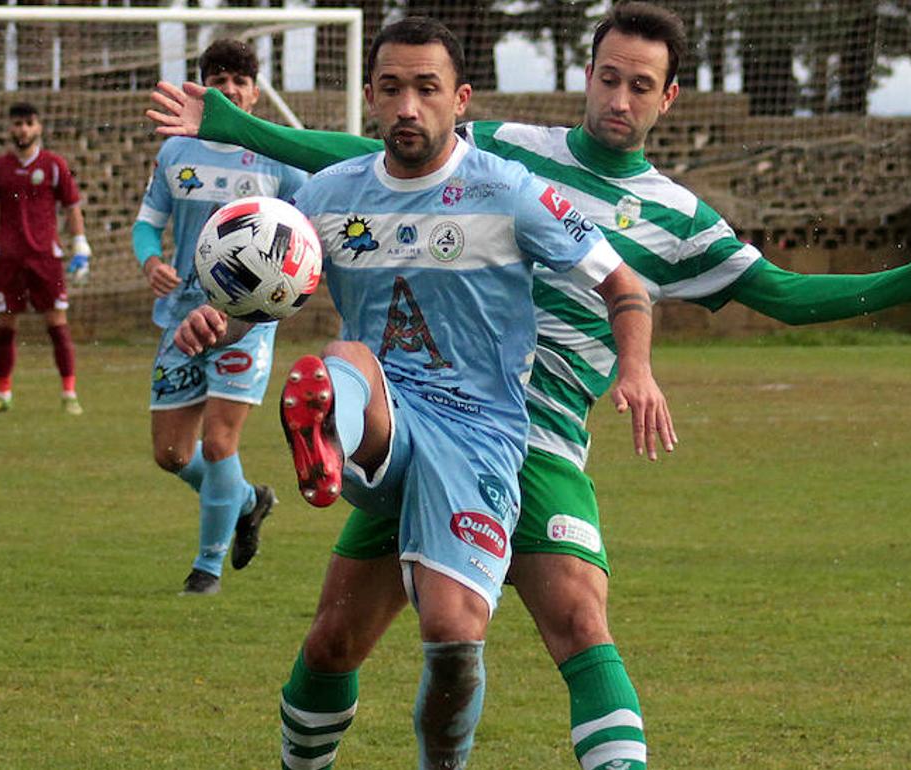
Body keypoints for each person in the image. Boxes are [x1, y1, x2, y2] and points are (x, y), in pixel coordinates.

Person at [150, 4, 911, 767]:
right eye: (607, 78)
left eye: (641, 86)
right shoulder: (511, 151)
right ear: (586, 76)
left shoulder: (678, 218)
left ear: (669, 98)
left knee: (575, 624)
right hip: (421, 411)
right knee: (336, 641)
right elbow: (369, 156)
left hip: (540, 436)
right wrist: (234, 123)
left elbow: (779, 292)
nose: (619, 100)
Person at [166, 16, 673, 770]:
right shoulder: (327, 197)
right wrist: (224, 320)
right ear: (370, 96)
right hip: (384, 415)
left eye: (427, 89)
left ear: (459, 99)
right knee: (346, 355)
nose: (409, 106)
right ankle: (330, 426)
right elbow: (271, 295)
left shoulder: (509, 191)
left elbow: (622, 285)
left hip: (479, 437)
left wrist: (636, 368)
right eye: (393, 89)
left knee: (444, 629)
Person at [134, 40, 306, 596]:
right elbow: (146, 224)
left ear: (255, 92)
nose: (230, 88)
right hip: (180, 317)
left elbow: (306, 236)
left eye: (241, 79)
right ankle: (248, 499)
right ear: (204, 87)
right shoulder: (175, 153)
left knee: (217, 442)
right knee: (170, 454)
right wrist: (152, 260)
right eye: (219, 78)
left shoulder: (281, 159)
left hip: (245, 320)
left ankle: (206, 571)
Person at [0, 102, 92, 416]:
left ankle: (69, 394)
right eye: (18, 123)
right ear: (10, 128)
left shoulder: (53, 166)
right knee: (5, 325)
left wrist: (80, 245)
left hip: (45, 258)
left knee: (57, 323)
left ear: (39, 127)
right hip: (9, 259)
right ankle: (3, 395)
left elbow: (71, 207)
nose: (23, 129)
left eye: (29, 123)